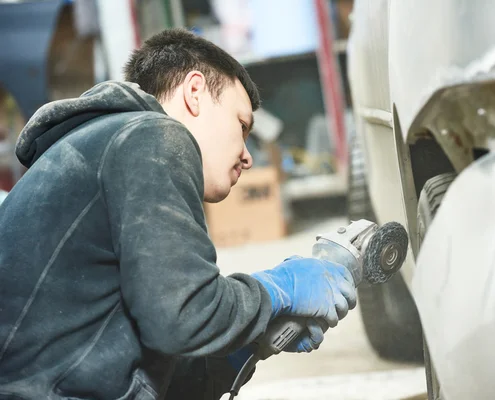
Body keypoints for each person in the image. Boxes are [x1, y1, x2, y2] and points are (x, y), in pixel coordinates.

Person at [0, 29, 357, 400]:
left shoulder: (105, 148)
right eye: (241, 126)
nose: (247, 156)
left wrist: (240, 350)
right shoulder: (150, 135)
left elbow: (149, 365)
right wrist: (279, 288)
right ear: (195, 92)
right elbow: (181, 317)